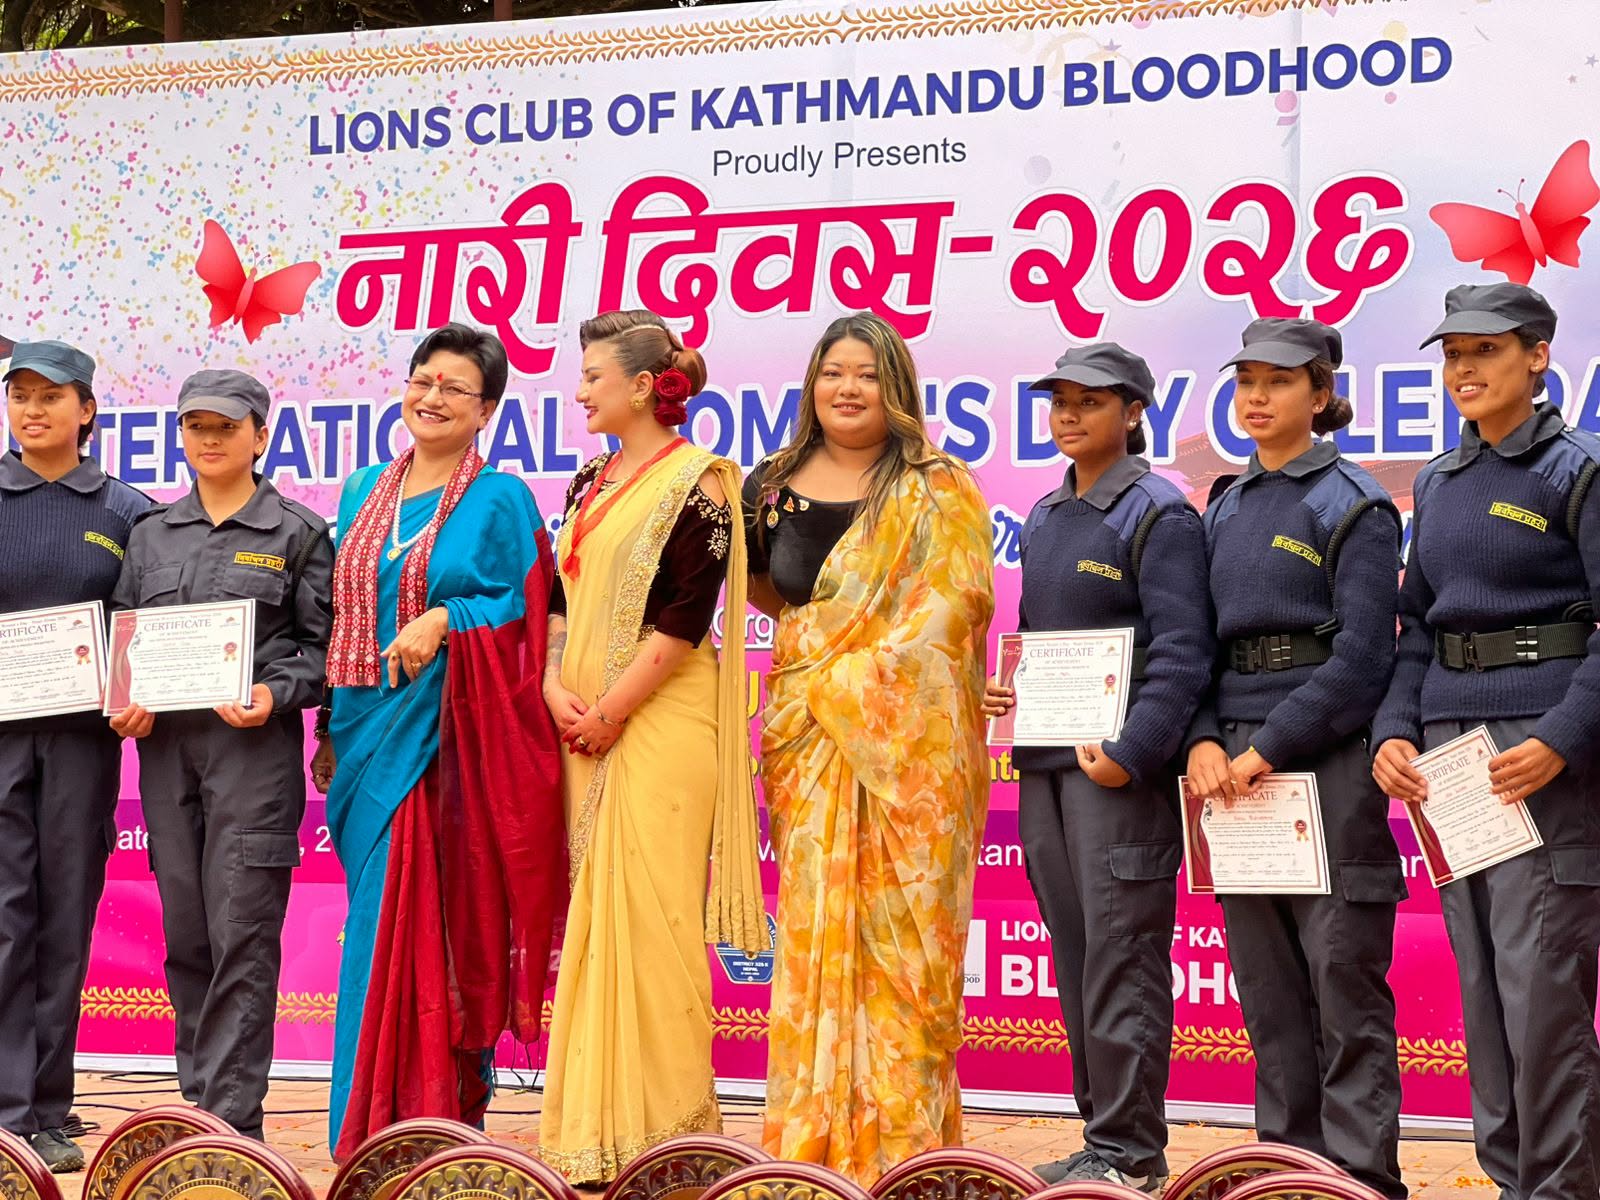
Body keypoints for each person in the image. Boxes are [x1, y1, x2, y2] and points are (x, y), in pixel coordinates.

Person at [747, 312, 995, 1186]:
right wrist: (819, 653)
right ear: (811, 384)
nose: (846, 388)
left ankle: (906, 1157)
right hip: (808, 743)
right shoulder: (769, 483)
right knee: (812, 936)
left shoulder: (938, 487)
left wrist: (844, 671)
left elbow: (956, 609)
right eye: (832, 372)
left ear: (896, 386)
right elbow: (768, 591)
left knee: (906, 963)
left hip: (908, 761)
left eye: (865, 373)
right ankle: (811, 1148)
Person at [1373, 284, 1600, 1199]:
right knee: (1485, 986)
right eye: (1453, 354)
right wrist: (1395, 730)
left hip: (1537, 751)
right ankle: (1513, 1181)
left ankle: (1560, 1189)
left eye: (1487, 350)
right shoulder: (1438, 480)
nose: (1464, 369)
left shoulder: (1579, 469)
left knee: (1541, 990)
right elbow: (1416, 627)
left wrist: (1564, 737)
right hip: (1450, 758)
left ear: (1538, 356)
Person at [321, 324, 566, 1158]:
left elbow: (526, 608)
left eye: (454, 388)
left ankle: (426, 1117)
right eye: (423, 380)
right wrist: (327, 725)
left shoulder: (501, 499)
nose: (432, 398)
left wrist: (445, 618)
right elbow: (342, 614)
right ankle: (368, 1121)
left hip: (448, 746)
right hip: (364, 729)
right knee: (375, 927)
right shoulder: (362, 489)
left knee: (430, 924)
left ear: (486, 409)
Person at [537, 310, 763, 1186]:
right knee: (595, 924)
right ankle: (592, 1136)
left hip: (659, 723)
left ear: (641, 386)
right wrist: (553, 681)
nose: (580, 392)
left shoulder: (700, 484)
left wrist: (611, 711)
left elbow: (683, 620)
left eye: (592, 376)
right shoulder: (587, 481)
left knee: (656, 921)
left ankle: (669, 1138)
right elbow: (560, 598)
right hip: (580, 722)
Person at [1183, 318, 1407, 1200]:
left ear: (1320, 395)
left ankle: (1360, 1179)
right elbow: (1193, 647)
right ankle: (1284, 1173)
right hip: (1232, 769)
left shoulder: (1353, 502)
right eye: (1246, 381)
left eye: (1278, 381)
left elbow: (1364, 660)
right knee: (1268, 991)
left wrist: (1267, 748)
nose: (1257, 397)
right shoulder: (1226, 504)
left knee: (1342, 978)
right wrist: (1204, 740)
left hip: (1325, 761)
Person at [981, 343, 1213, 1194]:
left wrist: (1131, 755)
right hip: (1045, 765)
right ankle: (1099, 1141)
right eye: (1060, 401)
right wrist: (1011, 692)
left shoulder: (1159, 512)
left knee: (1123, 955)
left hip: (1118, 776)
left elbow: (1184, 655)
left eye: (1091, 400)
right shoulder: (1046, 514)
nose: (1070, 415)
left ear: (1133, 411)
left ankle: (1131, 1153)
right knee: (1077, 953)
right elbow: (1044, 642)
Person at [107, 369, 332, 1139]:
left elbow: (322, 652)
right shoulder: (150, 533)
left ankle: (231, 1127)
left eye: (227, 426)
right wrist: (126, 699)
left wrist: (275, 691)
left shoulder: (297, 532)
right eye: (196, 426)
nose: (210, 439)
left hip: (251, 758)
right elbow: (127, 636)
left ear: (260, 436)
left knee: (243, 932)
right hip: (167, 757)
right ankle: (202, 1102)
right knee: (189, 938)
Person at [0, 340, 151, 1172]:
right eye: (20, 395)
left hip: (84, 746)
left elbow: (144, 625)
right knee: (4, 920)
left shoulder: (128, 511)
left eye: (51, 396)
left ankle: (48, 1108)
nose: (32, 410)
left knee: (63, 921)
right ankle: (7, 1108)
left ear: (86, 410)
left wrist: (138, 690)